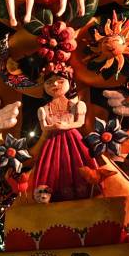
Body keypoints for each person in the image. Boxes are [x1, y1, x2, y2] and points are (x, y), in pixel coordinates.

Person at [33, 71, 95, 201]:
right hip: (53, 142)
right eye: (49, 82)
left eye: (60, 81)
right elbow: (44, 127)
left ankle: (83, 192)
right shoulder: (43, 109)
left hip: (73, 140)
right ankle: (48, 195)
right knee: (52, 166)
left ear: (70, 83)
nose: (55, 84)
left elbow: (80, 122)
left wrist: (65, 126)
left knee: (76, 163)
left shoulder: (77, 105)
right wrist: (54, 127)